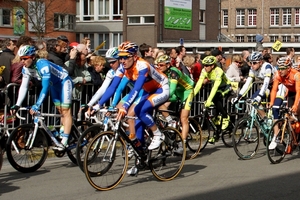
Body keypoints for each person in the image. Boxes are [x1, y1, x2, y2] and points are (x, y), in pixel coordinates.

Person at [101, 41, 169, 151]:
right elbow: (113, 88)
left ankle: (158, 134)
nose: (122, 61)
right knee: (135, 116)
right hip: (148, 91)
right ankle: (140, 151)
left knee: (140, 110)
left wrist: (125, 106)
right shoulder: (124, 67)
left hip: (161, 89)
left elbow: (137, 88)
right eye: (120, 58)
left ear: (134, 56)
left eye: (125, 57)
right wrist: (97, 105)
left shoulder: (142, 65)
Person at [10, 45, 74, 151]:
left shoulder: (42, 64)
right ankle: (65, 130)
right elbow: (24, 86)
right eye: (21, 59)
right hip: (54, 85)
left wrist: (37, 105)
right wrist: (17, 104)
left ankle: (65, 140)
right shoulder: (26, 69)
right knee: (60, 110)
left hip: (64, 82)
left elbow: (45, 86)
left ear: (33, 57)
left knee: (66, 111)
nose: (22, 61)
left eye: (25, 59)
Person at [156, 54, 194, 152]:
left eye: (161, 65)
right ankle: (170, 122)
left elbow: (171, 91)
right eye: (157, 65)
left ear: (168, 65)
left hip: (187, 92)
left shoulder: (174, 72)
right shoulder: (162, 72)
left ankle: (183, 143)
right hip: (178, 91)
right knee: (159, 105)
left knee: (183, 118)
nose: (158, 67)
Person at [194, 56, 232, 144]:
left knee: (215, 98)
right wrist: (191, 96)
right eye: (204, 65)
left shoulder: (219, 71)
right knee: (214, 115)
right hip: (217, 88)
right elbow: (198, 85)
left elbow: (215, 88)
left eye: (207, 65)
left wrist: (209, 100)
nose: (205, 67)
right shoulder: (204, 71)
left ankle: (226, 117)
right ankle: (216, 134)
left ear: (212, 66)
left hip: (225, 87)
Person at [268, 57, 300, 149]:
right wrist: (271, 102)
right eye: (279, 67)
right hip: (290, 93)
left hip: (298, 92)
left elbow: (298, 91)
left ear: (289, 68)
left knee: (296, 111)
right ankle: (291, 138)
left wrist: (295, 106)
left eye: (283, 68)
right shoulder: (278, 74)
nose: (280, 70)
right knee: (288, 115)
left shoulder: (296, 75)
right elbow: (274, 89)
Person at [232, 52, 275, 119]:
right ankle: (265, 118)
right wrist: (239, 96)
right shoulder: (252, 69)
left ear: (260, 62)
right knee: (253, 101)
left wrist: (259, 96)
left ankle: (266, 119)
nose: (252, 65)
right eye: (250, 63)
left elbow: (266, 83)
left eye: (254, 63)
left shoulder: (267, 67)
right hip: (266, 87)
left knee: (255, 99)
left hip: (274, 86)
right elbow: (248, 83)